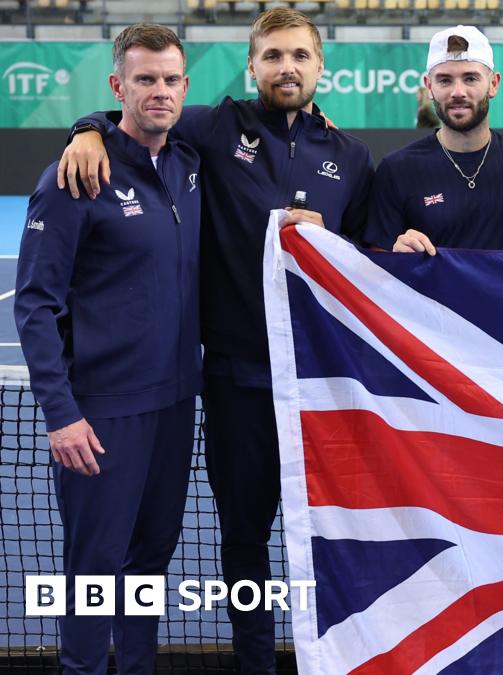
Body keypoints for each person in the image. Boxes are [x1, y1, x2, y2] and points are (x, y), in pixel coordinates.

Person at [57, 8, 373, 673]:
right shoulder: (211, 127)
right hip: (236, 384)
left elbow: (365, 266)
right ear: (251, 65)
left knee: (338, 538)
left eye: (299, 56)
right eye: (273, 56)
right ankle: (257, 662)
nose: (287, 67)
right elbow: (140, 112)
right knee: (244, 540)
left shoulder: (351, 156)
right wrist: (87, 130)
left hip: (324, 388)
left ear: (321, 66)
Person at [14, 23, 201, 674]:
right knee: (93, 570)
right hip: (101, 415)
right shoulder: (75, 176)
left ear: (185, 86)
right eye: (144, 79)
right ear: (117, 86)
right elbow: (36, 303)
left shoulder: (189, 163)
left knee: (150, 557)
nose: (159, 91)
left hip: (176, 405)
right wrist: (60, 412)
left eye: (170, 79)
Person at [367, 25, 503, 255]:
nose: (458, 92)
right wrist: (395, 256)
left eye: (470, 78)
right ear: (429, 87)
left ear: (493, 84)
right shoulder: (397, 169)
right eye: (445, 80)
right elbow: (376, 262)